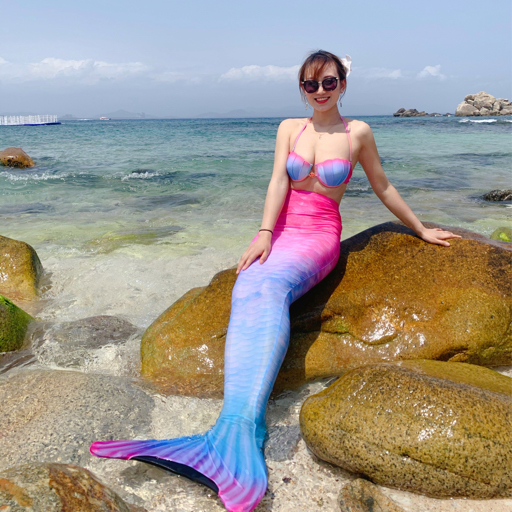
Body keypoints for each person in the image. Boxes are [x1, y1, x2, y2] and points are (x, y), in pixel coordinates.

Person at [90, 50, 460, 512]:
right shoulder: (290, 128)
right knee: (248, 285)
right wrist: (264, 232)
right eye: (310, 84)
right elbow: (277, 183)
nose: (320, 91)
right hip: (281, 230)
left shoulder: (358, 133)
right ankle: (232, 428)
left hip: (319, 235)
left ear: (343, 84)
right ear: (302, 89)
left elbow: (382, 185)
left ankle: (239, 432)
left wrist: (420, 229)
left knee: (270, 288)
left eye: (328, 82)